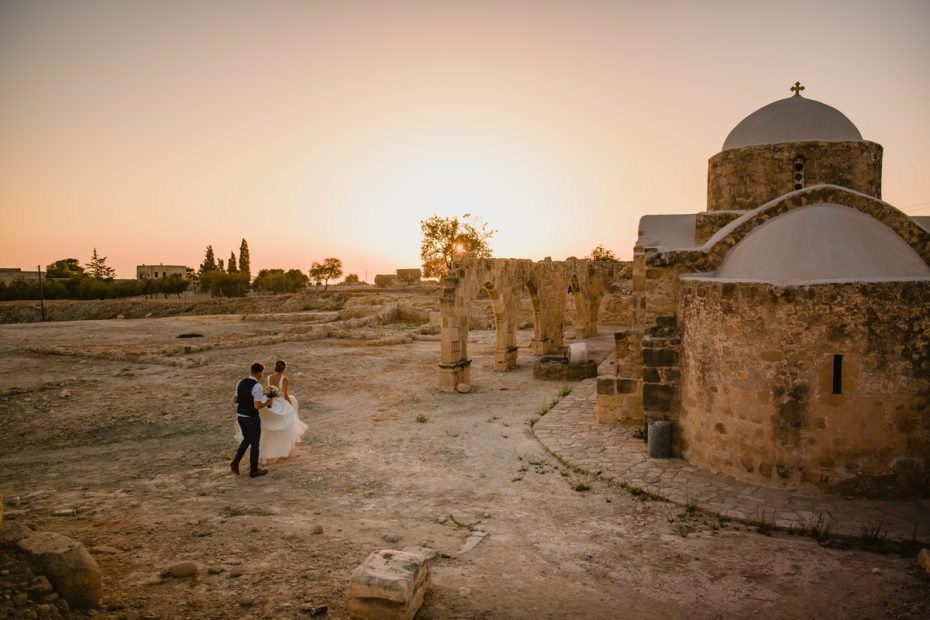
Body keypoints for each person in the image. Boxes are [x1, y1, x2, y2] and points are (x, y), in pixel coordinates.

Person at [258, 359, 308, 461]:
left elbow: (268, 392)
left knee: (270, 429)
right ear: (284, 369)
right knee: (284, 428)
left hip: (270, 401)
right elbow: (285, 395)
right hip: (280, 403)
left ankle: (268, 452)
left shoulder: (268, 378)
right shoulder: (284, 379)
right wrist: (291, 406)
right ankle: (281, 451)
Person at [231, 362, 273, 478]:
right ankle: (253, 470)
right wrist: (267, 403)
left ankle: (235, 463)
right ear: (259, 372)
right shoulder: (257, 386)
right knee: (255, 444)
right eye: (262, 373)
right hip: (251, 418)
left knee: (247, 440)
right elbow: (257, 406)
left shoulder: (240, 382)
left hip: (240, 416)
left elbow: (235, 400)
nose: (262, 375)